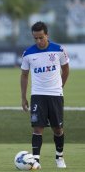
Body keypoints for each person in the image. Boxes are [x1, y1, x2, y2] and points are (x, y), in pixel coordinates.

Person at [20, 21, 69, 170]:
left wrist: (60, 86)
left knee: (58, 129)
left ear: (47, 35)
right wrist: (23, 97)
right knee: (37, 128)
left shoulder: (59, 50)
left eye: (41, 37)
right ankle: (35, 161)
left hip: (55, 95)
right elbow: (24, 75)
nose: (39, 41)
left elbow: (66, 70)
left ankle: (59, 157)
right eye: (35, 38)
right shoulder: (28, 53)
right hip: (38, 95)